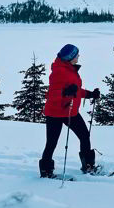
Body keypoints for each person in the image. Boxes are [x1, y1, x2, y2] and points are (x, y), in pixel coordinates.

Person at [38, 43, 101, 178]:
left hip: (70, 112)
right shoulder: (59, 71)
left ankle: (88, 166)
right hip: (55, 113)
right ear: (71, 57)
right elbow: (51, 94)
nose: (78, 56)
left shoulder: (70, 69)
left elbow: (75, 90)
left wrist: (90, 94)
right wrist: (65, 92)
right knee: (51, 143)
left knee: (84, 136)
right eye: (77, 54)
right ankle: (46, 171)